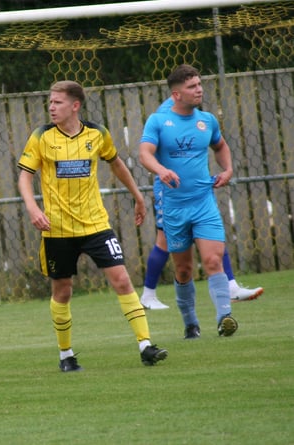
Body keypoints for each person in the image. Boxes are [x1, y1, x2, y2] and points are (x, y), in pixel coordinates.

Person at [17, 80, 168, 371]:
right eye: (50, 102)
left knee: (122, 279)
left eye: (57, 102)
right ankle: (66, 355)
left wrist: (138, 196)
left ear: (75, 105)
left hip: (96, 225)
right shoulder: (41, 137)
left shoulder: (97, 134)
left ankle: (146, 345)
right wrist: (33, 207)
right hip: (57, 230)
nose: (51, 106)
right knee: (62, 290)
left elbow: (116, 163)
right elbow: (25, 176)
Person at [139, 64, 239, 339]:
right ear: (176, 94)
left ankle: (224, 318)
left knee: (212, 260)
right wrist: (161, 170)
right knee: (183, 269)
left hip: (203, 202)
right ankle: (191, 323)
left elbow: (220, 146)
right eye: (192, 86)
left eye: (199, 84)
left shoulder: (207, 120)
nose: (199, 90)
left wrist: (228, 170)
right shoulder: (158, 121)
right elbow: (144, 154)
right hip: (173, 207)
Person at [140, 177, 263, 310]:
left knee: (212, 235)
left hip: (197, 186)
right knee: (163, 239)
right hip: (171, 188)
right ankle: (148, 295)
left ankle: (231, 287)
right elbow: (148, 157)